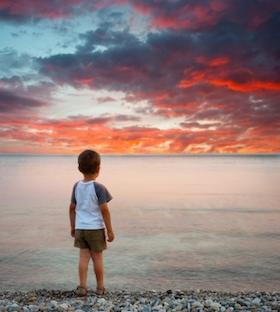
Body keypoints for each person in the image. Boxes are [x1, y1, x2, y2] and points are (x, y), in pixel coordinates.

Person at [69, 149, 114, 296]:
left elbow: (72, 208)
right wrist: (110, 230)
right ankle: (100, 288)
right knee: (97, 258)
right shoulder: (99, 188)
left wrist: (73, 227)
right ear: (98, 169)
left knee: (83, 258)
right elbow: (105, 210)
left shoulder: (76, 186)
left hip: (81, 228)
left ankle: (82, 287)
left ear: (79, 168)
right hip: (95, 229)